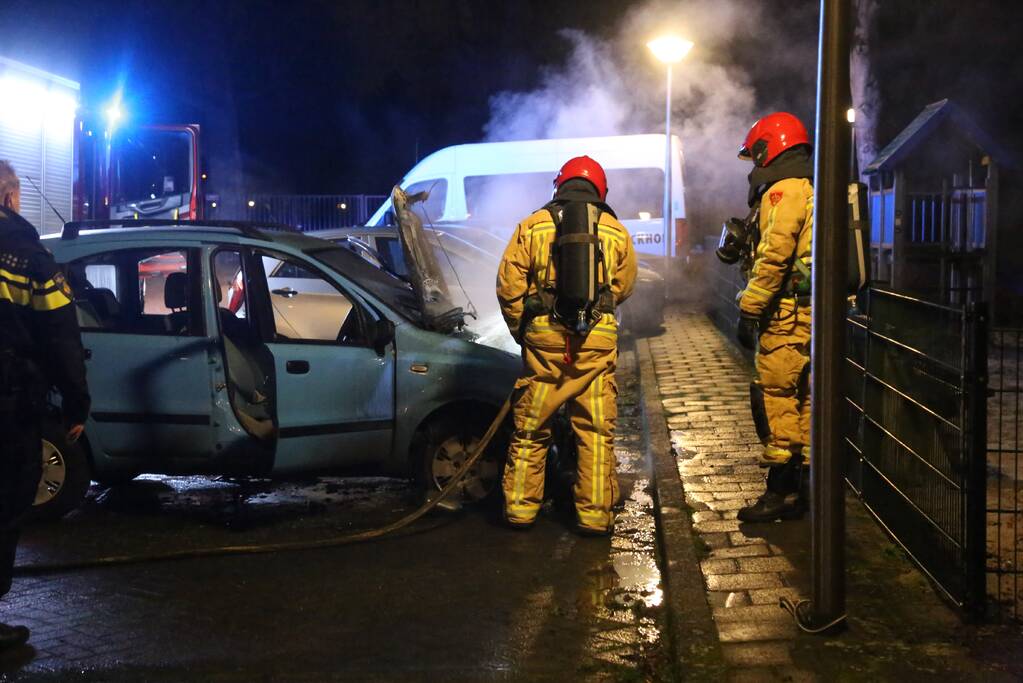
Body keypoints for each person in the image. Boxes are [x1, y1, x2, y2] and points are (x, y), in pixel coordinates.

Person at [496, 155, 637, 535]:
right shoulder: (616, 230)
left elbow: (509, 286)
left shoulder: (532, 225)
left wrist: (522, 330)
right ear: (600, 189)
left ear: (559, 186)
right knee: (594, 432)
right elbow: (622, 286)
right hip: (595, 342)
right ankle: (593, 516)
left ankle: (521, 511)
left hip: (545, 343)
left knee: (530, 428)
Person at [0, 160, 90, 650]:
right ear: (11, 198)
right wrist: (77, 402)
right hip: (8, 403)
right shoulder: (27, 255)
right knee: (6, 503)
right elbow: (61, 336)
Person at [732, 113, 815, 523]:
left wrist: (750, 309)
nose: (754, 165)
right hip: (809, 312)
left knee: (776, 396)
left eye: (755, 155)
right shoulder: (810, 186)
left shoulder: (782, 192)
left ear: (768, 148)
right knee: (803, 400)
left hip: (784, 315)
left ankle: (780, 493)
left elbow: (774, 256)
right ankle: (803, 492)